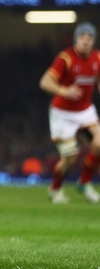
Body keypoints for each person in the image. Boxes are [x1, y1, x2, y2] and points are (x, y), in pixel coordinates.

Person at [39, 22, 100, 204]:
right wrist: (65, 91)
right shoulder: (65, 58)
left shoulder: (97, 58)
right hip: (62, 113)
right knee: (70, 158)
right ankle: (55, 189)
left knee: (99, 144)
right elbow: (45, 82)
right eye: (82, 38)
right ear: (76, 40)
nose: (86, 42)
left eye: (89, 38)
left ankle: (84, 182)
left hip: (85, 110)